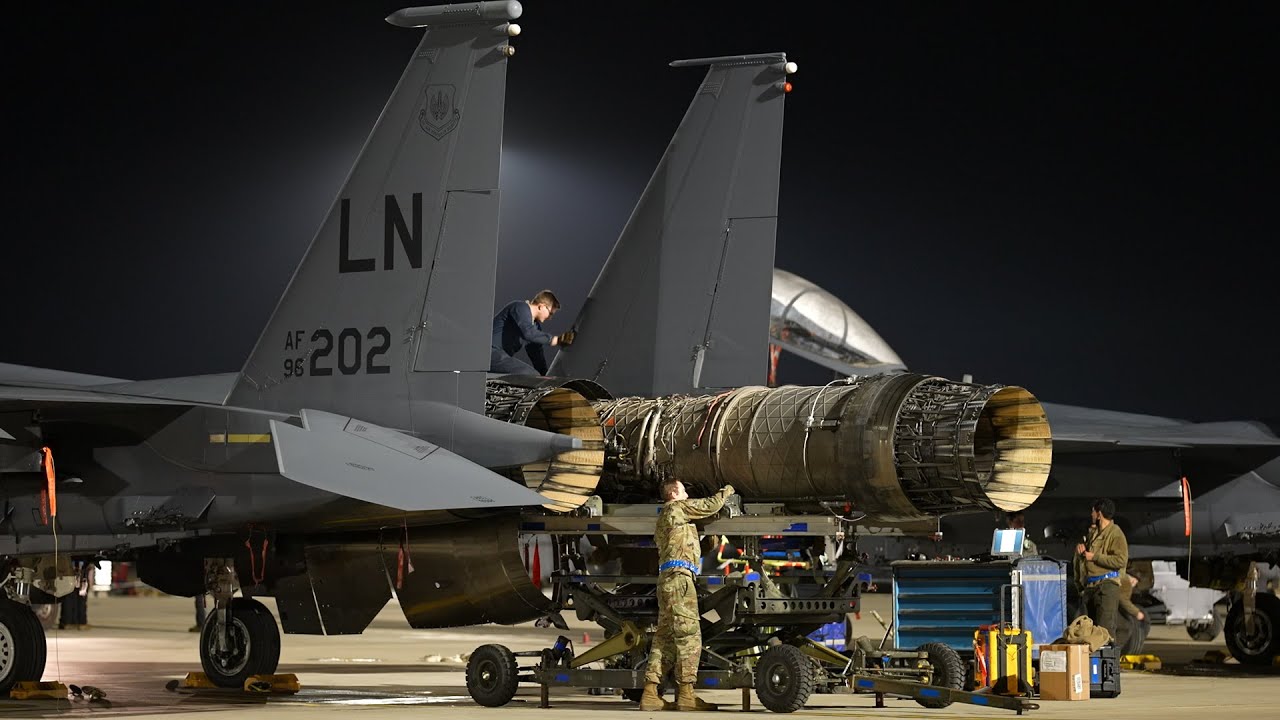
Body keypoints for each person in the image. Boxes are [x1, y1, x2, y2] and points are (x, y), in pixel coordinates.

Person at [640, 479, 736, 712]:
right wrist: (728, 490)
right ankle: (686, 694)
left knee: (664, 638)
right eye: (684, 490)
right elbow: (710, 505)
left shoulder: (669, 520)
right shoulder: (676, 508)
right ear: (674, 493)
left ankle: (651, 692)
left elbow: (697, 547)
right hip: (681, 580)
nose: (687, 495)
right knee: (689, 636)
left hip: (668, 580)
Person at [1074, 498, 1129, 642]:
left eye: (1093, 511)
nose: (1091, 515)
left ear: (1099, 514)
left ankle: (1110, 664)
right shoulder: (1093, 533)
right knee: (1090, 634)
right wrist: (1082, 553)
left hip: (1106, 587)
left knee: (1105, 633)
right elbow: (1086, 559)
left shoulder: (1115, 534)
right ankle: (1095, 664)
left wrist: (1095, 557)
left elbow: (1121, 560)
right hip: (1091, 586)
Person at [489, 290, 573, 376]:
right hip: (488, 353)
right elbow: (529, 333)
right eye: (550, 313)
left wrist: (544, 376)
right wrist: (556, 340)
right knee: (529, 375)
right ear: (541, 306)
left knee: (535, 376)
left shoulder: (535, 326)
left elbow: (536, 355)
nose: (550, 318)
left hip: (499, 357)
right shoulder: (520, 307)